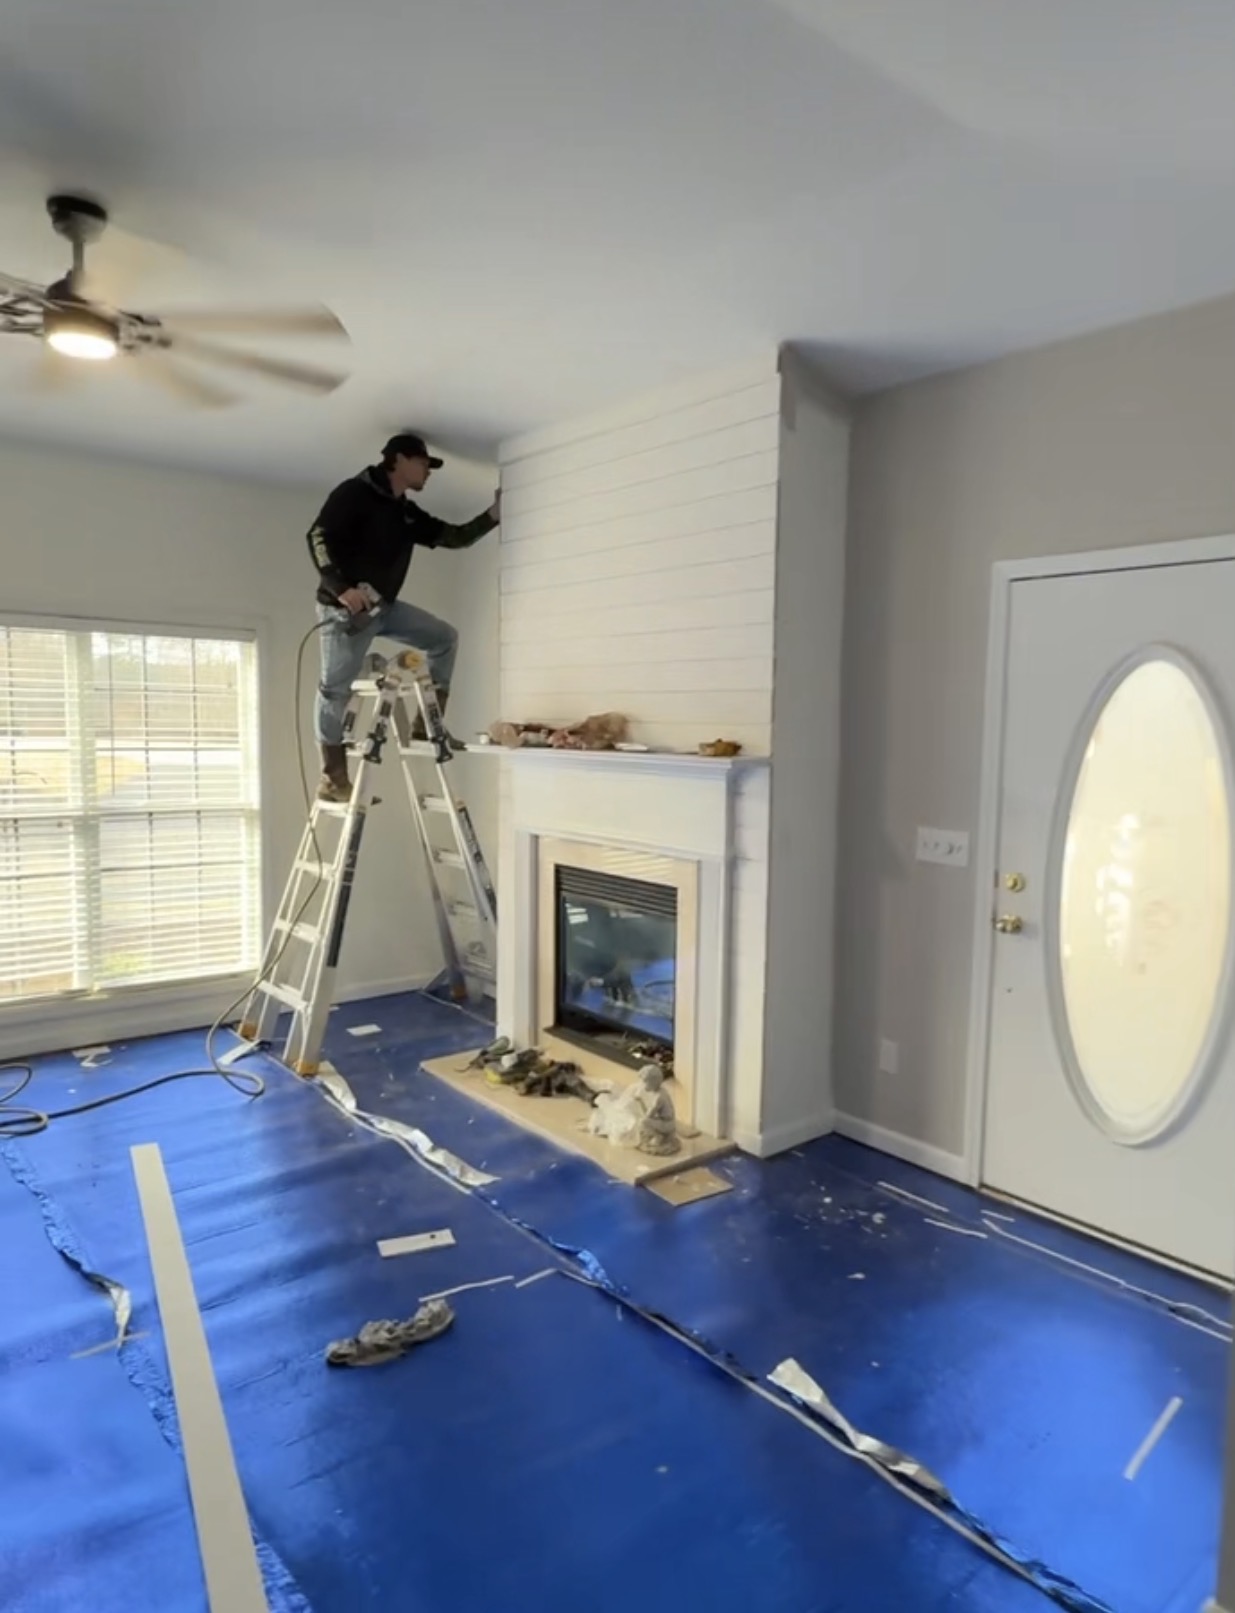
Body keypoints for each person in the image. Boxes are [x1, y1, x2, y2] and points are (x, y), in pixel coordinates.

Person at [307, 432, 500, 800]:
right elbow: (317, 536)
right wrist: (340, 587)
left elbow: (455, 537)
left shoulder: (404, 512)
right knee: (334, 690)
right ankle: (333, 780)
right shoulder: (354, 493)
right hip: (343, 612)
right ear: (399, 460)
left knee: (445, 638)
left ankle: (427, 726)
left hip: (384, 608)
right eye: (425, 464)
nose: (429, 472)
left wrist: (494, 516)